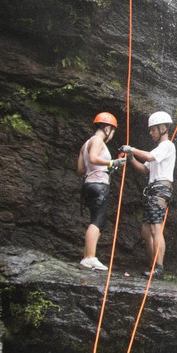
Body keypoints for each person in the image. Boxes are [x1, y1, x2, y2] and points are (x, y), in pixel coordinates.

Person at [120, 110, 176, 279]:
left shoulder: (167, 146)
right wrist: (131, 158)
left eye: (153, 129)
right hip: (153, 189)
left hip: (160, 189)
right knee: (146, 230)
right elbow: (144, 168)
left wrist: (132, 149)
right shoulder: (159, 149)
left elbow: (150, 157)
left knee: (155, 227)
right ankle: (153, 265)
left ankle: (159, 267)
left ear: (162, 128)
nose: (150, 132)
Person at [76, 112, 124, 271]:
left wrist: (110, 166)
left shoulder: (86, 144)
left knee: (95, 220)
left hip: (89, 184)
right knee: (98, 221)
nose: (112, 135)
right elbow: (94, 158)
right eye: (113, 131)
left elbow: (81, 169)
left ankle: (87, 256)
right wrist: (113, 162)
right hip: (98, 185)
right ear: (108, 128)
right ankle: (89, 257)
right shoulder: (97, 140)